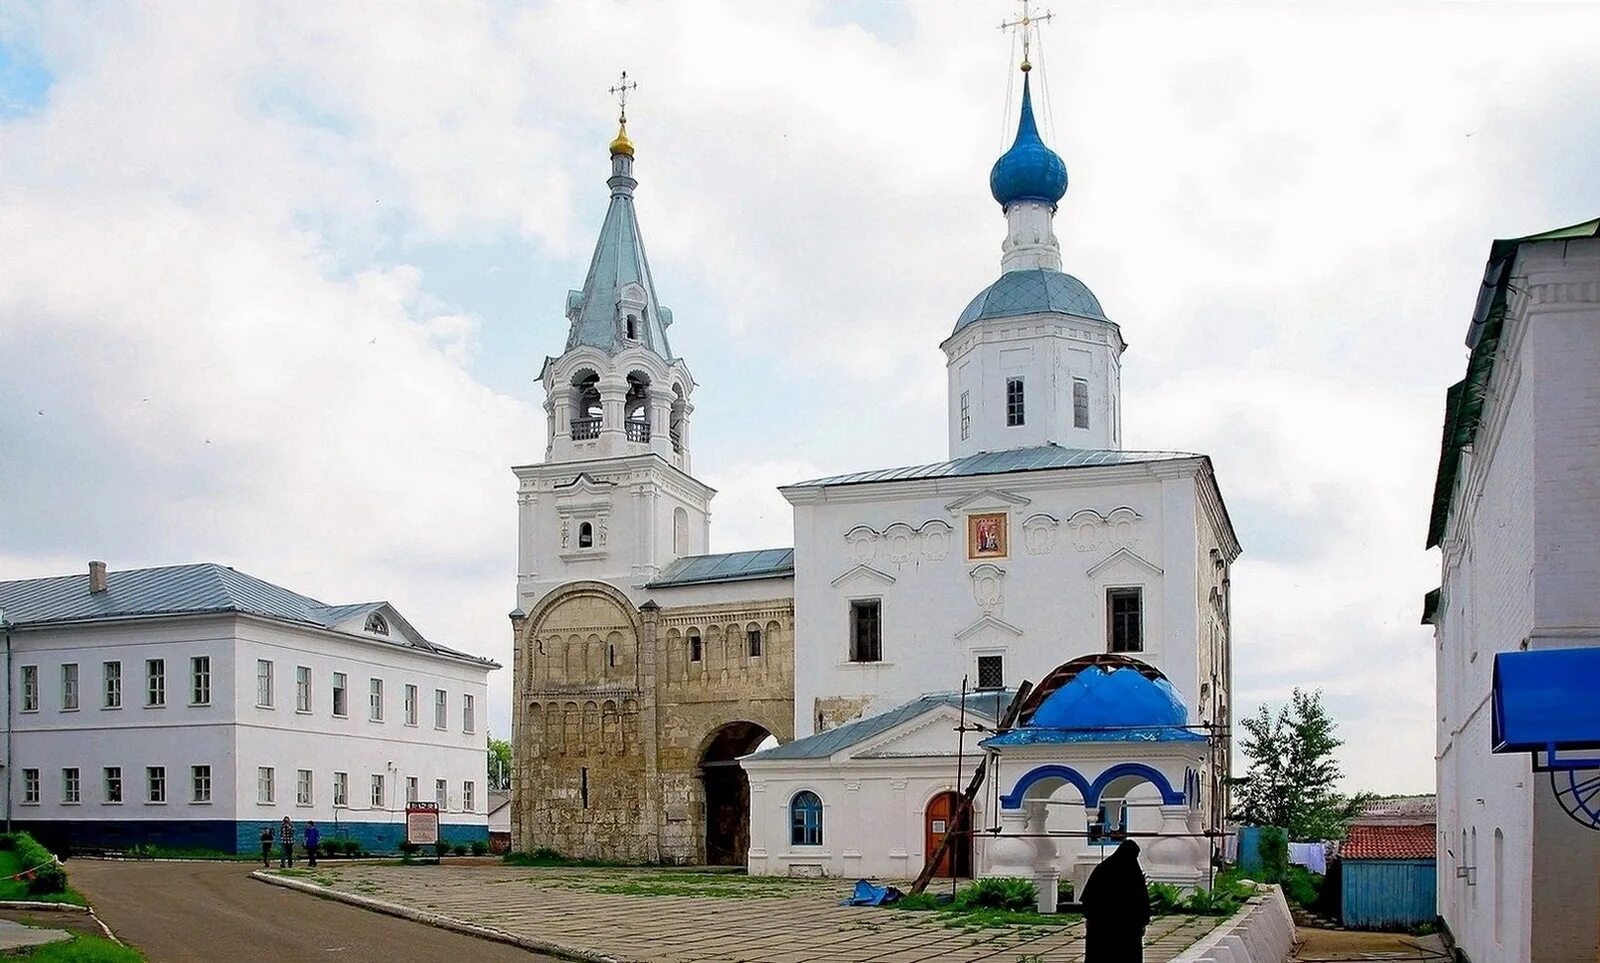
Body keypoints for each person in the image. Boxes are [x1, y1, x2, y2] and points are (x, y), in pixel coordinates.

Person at [1079, 838, 1152, 962]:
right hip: (1127, 929)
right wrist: (1143, 922)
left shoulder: (1102, 870)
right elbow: (1141, 902)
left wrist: (1089, 918)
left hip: (1101, 927)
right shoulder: (1133, 875)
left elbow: (1089, 897)